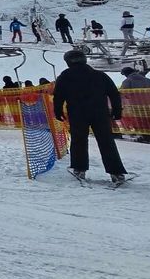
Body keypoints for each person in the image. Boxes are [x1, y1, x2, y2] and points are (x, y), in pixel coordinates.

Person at [53, 50, 127, 184]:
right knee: (106, 141)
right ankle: (116, 172)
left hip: (77, 113)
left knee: (79, 140)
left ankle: (79, 169)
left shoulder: (65, 76)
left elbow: (58, 95)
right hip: (100, 113)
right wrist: (117, 110)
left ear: (68, 62)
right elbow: (114, 93)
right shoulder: (99, 75)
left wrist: (57, 111)